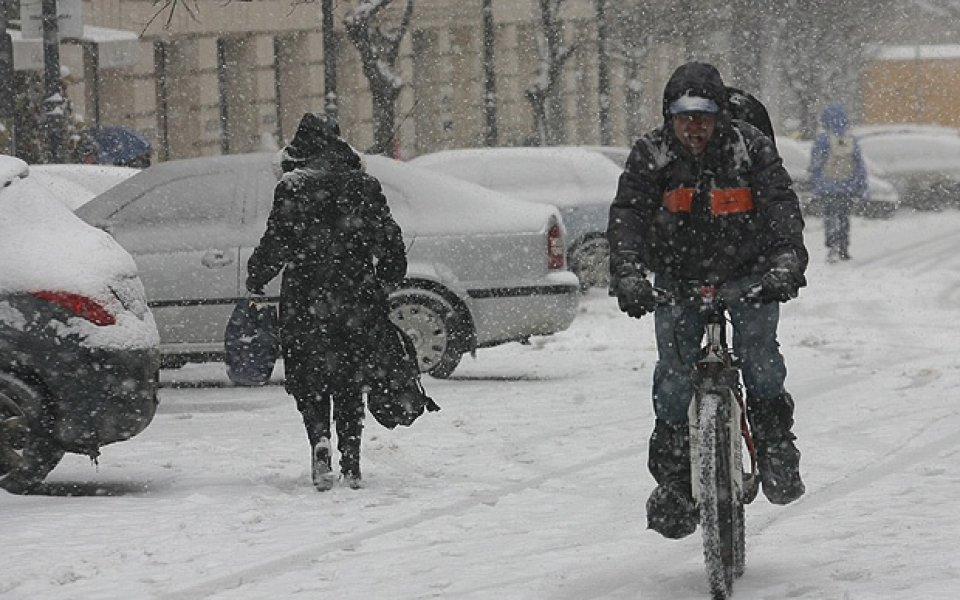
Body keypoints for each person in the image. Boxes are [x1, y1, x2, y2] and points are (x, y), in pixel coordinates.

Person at [606, 62, 808, 539]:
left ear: (721, 117)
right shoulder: (649, 155)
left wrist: (786, 262)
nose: (694, 127)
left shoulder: (750, 149)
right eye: (683, 116)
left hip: (749, 273)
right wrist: (629, 274)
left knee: (759, 357)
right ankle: (676, 480)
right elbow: (628, 218)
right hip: (678, 279)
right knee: (674, 376)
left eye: (704, 116)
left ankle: (775, 444)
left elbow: (781, 206)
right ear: (668, 117)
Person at [246, 112, 407, 491]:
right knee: (350, 379)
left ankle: (319, 441)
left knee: (311, 377)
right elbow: (390, 243)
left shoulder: (292, 188)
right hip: (356, 296)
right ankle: (351, 461)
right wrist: (384, 279)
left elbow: (275, 243)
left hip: (305, 297)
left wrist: (257, 277)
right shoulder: (364, 186)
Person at [809, 102, 868, 262]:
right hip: (847, 185)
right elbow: (859, 164)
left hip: (827, 186)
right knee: (843, 216)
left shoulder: (822, 140)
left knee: (829, 216)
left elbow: (816, 163)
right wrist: (861, 185)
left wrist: (814, 182)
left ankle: (832, 245)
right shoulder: (850, 139)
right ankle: (843, 246)